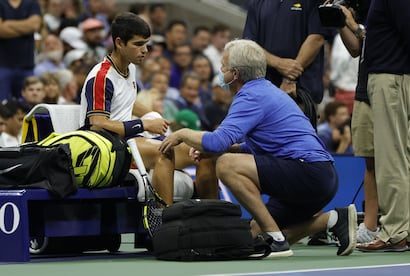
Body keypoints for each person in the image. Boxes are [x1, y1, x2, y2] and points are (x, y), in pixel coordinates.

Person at [159, 39, 357, 257]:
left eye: (223, 67)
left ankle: (276, 240)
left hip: (308, 172)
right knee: (255, 234)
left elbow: (218, 141)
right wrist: (225, 149)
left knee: (225, 165)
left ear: (235, 74)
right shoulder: (267, 91)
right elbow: (257, 147)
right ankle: (333, 219)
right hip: (321, 177)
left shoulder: (251, 95)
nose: (220, 72)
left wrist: (182, 134)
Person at [79, 12, 217, 205]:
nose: (145, 50)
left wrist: (155, 118)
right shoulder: (102, 77)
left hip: (129, 141)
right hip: (106, 149)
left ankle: (212, 218)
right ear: (119, 43)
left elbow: (127, 101)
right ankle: (165, 223)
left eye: (146, 44)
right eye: (138, 44)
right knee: (163, 152)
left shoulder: (130, 67)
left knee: (205, 150)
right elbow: (97, 124)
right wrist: (143, 124)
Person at [356, 0, 410, 252]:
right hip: (393, 76)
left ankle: (394, 232)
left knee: (391, 158)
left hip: (391, 78)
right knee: (403, 157)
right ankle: (408, 229)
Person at [336, 4, 380, 244]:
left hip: (393, 84)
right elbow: (357, 49)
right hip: (365, 89)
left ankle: (402, 223)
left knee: (400, 160)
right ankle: (371, 225)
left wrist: (355, 25)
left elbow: (380, 40)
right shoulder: (363, 5)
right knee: (370, 160)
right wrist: (342, 23)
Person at [242, 0, 328, 104]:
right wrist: (278, 63)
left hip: (299, 92)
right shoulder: (257, 2)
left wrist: (289, 78)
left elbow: (316, 39)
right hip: (263, 92)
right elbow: (249, 45)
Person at [0, 0, 42, 101]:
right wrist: (25, 29)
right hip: (3, 65)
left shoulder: (32, 3)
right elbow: (0, 31)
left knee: (28, 105)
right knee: (2, 106)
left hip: (26, 65)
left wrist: (8, 24)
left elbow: (34, 25)